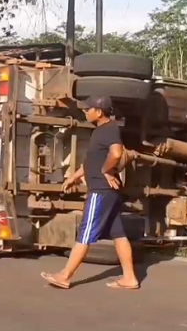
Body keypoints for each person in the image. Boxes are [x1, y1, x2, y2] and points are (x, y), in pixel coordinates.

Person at [40, 95, 139, 290]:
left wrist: (106, 170)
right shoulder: (100, 131)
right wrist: (74, 177)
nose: (85, 112)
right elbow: (91, 161)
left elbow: (117, 153)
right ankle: (130, 278)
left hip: (101, 190)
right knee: (118, 234)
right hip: (108, 191)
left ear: (99, 111)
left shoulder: (109, 130)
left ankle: (64, 276)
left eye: (88, 109)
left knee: (85, 233)